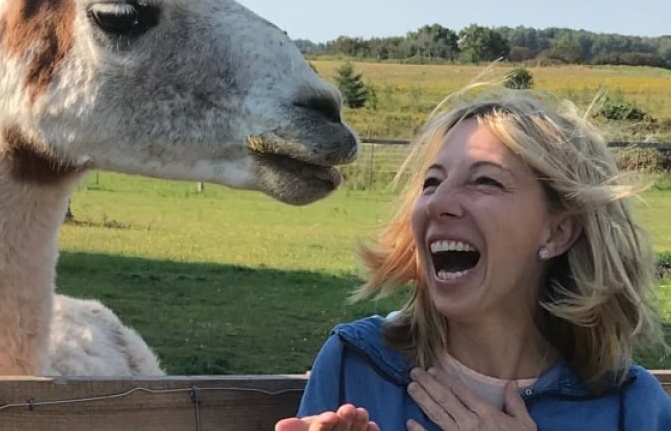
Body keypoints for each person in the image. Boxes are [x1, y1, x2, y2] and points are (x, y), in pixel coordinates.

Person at [276, 89, 671, 431]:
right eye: (432, 182)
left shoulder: (632, 407)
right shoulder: (356, 364)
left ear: (558, 232)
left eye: (485, 181)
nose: (439, 204)